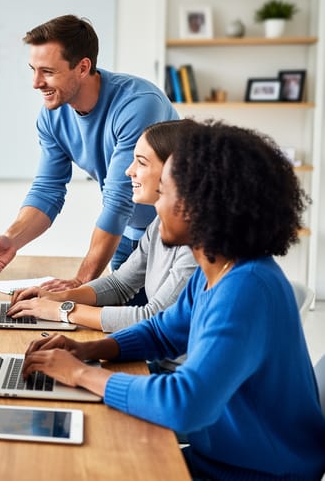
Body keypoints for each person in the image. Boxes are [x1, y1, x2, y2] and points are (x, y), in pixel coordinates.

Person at [22, 121, 325, 480]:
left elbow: (184, 404)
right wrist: (90, 349)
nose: (157, 205)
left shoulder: (246, 290)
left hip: (256, 473)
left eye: (164, 193)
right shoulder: (217, 268)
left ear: (198, 206)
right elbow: (163, 333)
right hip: (221, 458)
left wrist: (81, 374)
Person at [0, 15, 179, 292]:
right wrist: (12, 239)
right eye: (32, 69)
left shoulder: (137, 105)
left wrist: (80, 282)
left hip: (175, 237)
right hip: (127, 236)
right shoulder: (52, 117)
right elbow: (48, 190)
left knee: (159, 327)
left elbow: (119, 199)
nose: (36, 82)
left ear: (82, 68)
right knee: (115, 323)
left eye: (47, 71)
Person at [7, 120, 198, 342]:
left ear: (175, 171)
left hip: (174, 370)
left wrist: (63, 311)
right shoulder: (160, 224)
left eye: (141, 163)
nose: (129, 171)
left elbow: (152, 317)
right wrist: (57, 297)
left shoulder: (199, 241)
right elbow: (119, 284)